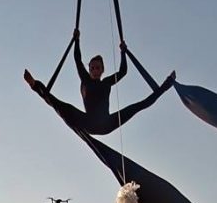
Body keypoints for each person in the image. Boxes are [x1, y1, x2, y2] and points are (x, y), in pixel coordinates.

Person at [23, 37, 176, 136]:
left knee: (138, 106)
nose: (95, 71)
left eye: (98, 68)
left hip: (106, 123)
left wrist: (123, 52)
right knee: (60, 105)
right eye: (92, 68)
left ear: (102, 69)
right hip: (87, 121)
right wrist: (77, 40)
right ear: (89, 69)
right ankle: (35, 85)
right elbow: (77, 59)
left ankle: (166, 84)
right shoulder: (85, 78)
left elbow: (123, 72)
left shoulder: (107, 82)